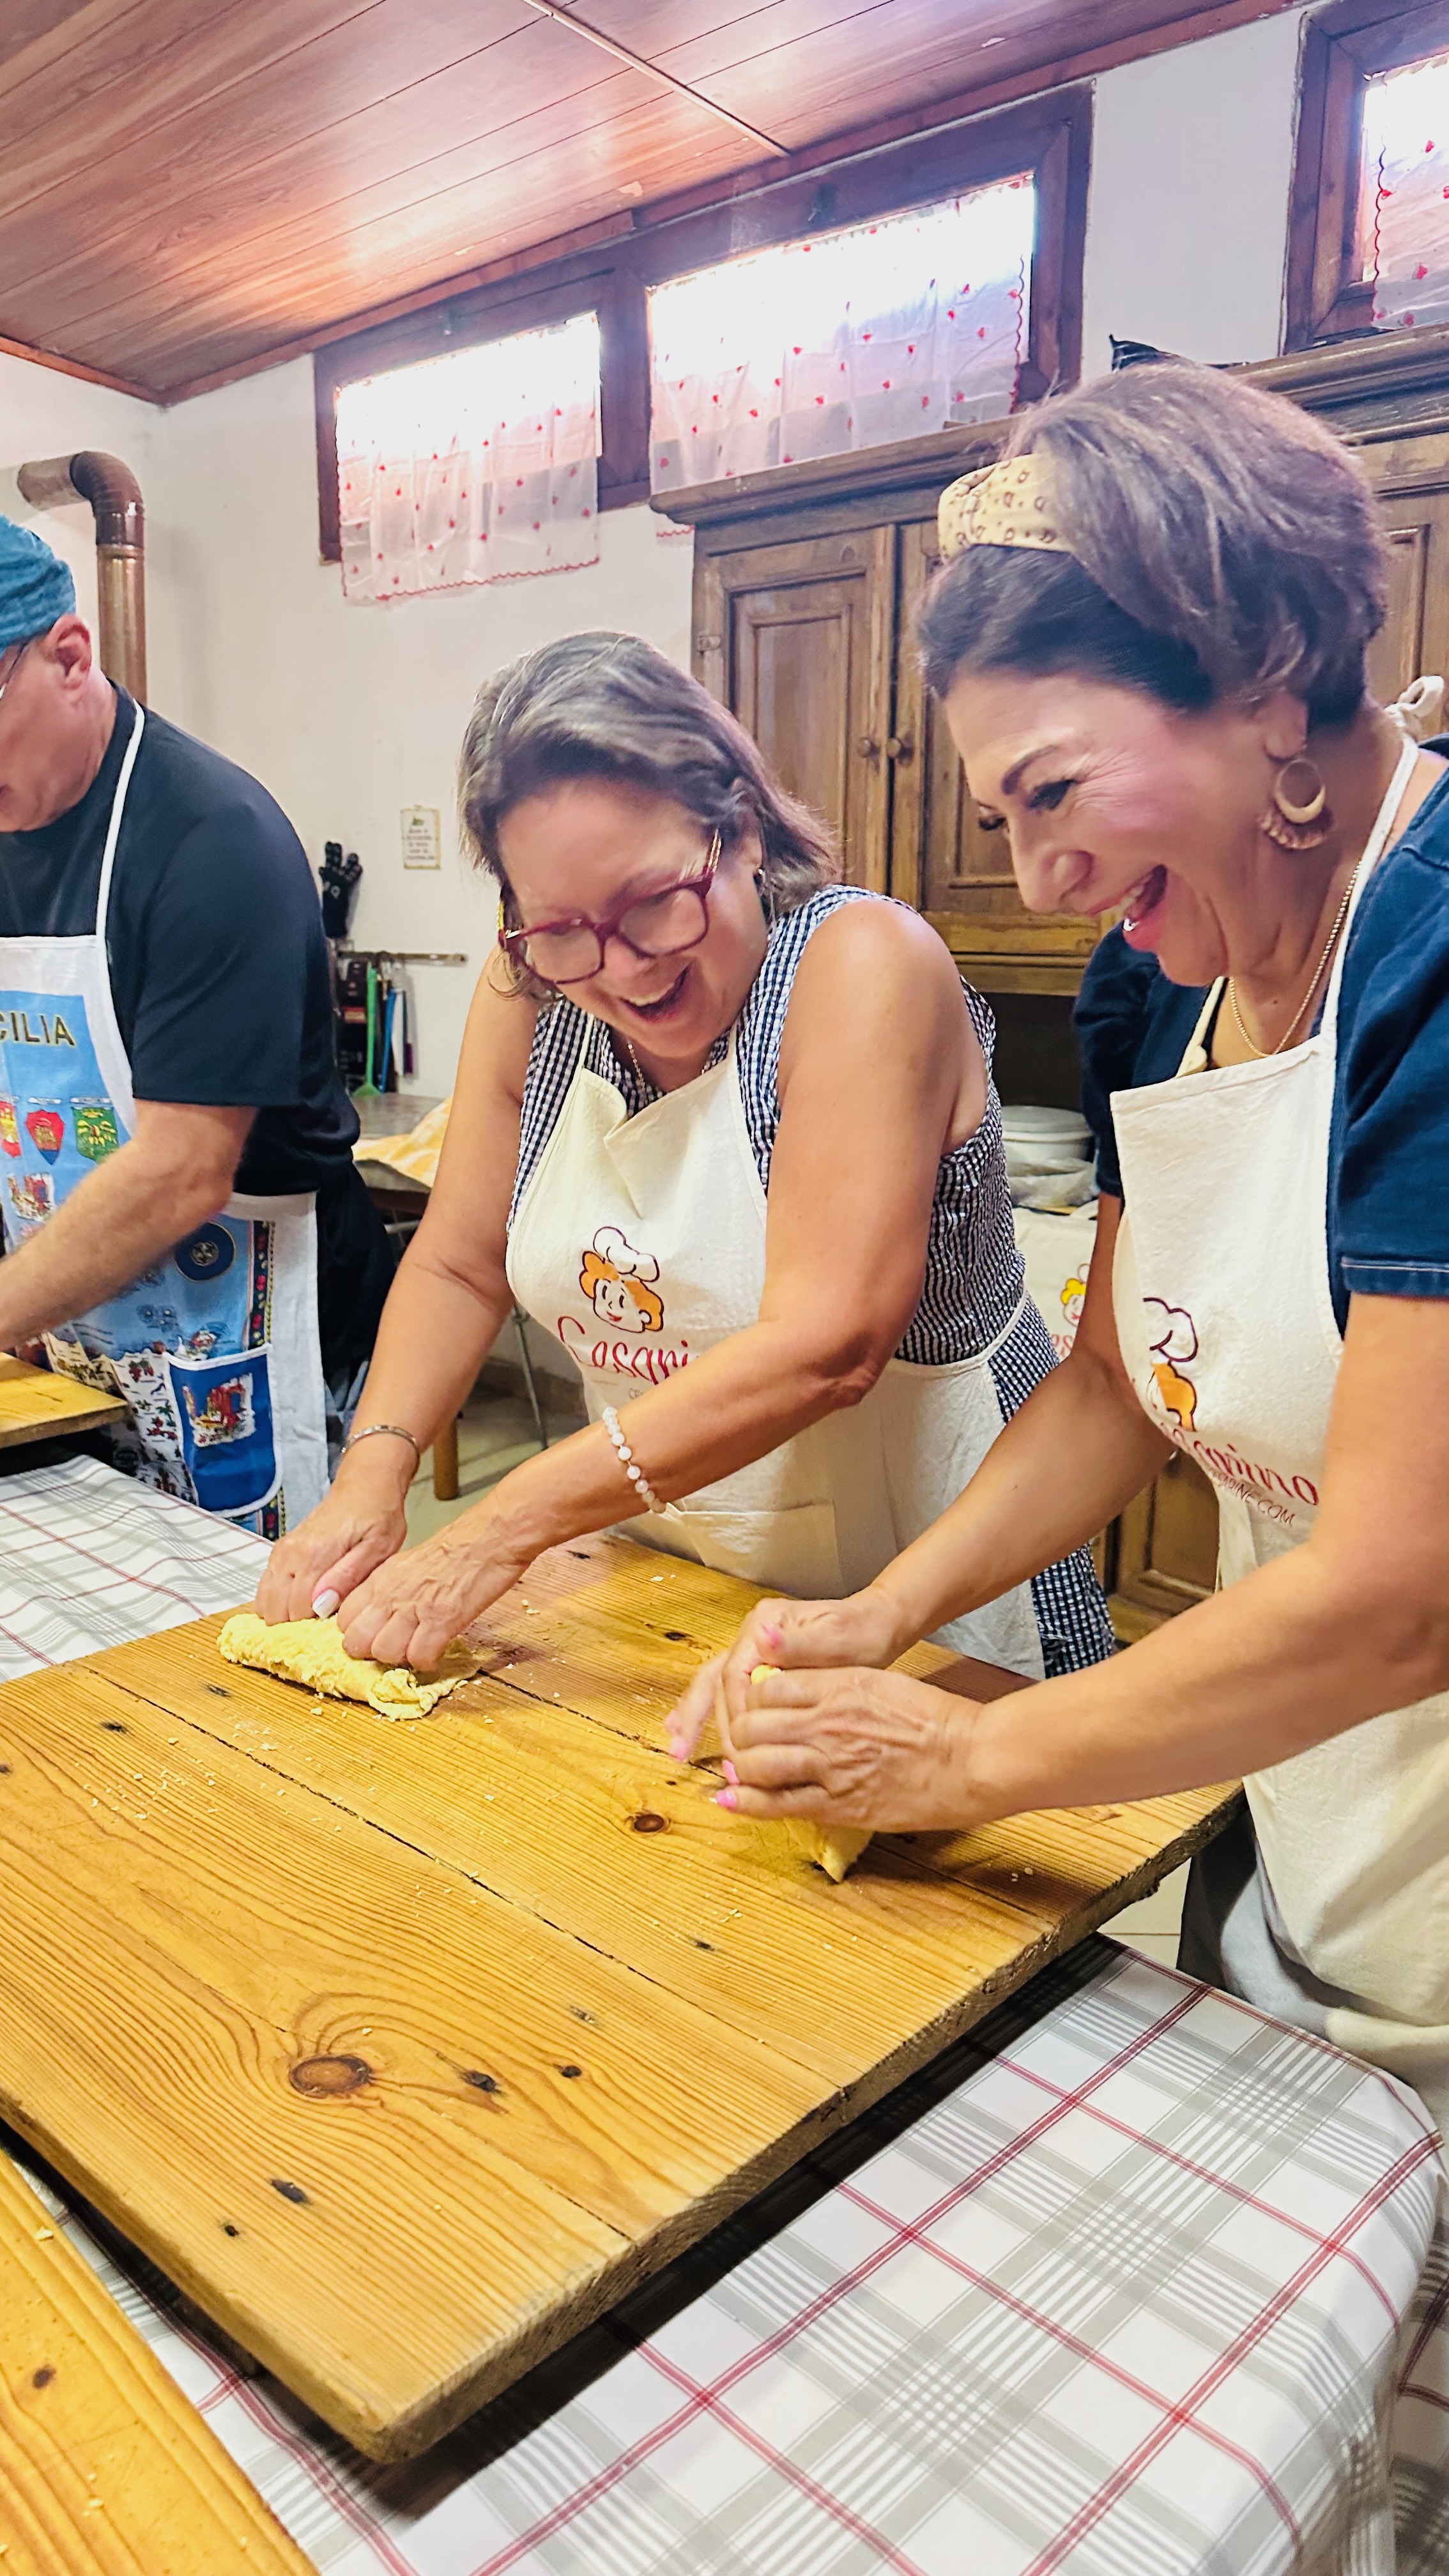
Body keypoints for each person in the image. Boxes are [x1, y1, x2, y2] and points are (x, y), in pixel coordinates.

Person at [675, 363, 1449, 2135]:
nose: (1036, 882)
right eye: (1001, 819)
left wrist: (960, 1755)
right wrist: (883, 1613)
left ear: (1261, 683)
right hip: (1300, 1823)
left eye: (1051, 792)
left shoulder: (1429, 955)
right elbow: (1111, 1377)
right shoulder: (1153, 990)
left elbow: (1401, 1588)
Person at [257, 632, 1112, 1685]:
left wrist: (504, 1521)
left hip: (939, 1578)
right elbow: (458, 1261)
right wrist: (371, 1471)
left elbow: (826, 1346)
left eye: (653, 903)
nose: (621, 969)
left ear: (740, 831)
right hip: (676, 1575)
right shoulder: (530, 995)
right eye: (563, 930)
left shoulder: (858, 968)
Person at [0, 516, 392, 1532]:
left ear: (68, 656)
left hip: (253, 1325)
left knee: (260, 1636)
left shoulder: (212, 841)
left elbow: (183, 1167)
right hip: (70, 1312)